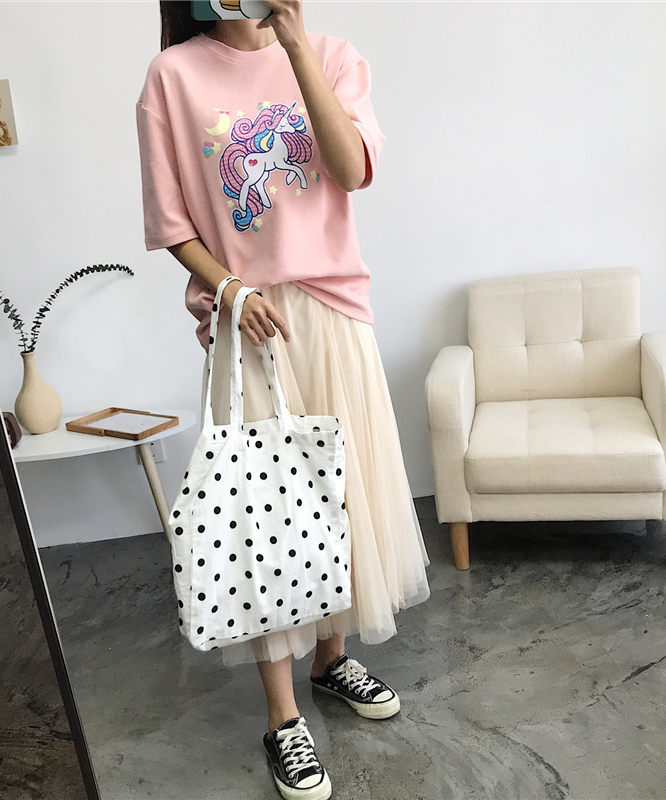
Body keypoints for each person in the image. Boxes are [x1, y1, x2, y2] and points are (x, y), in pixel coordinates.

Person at [136, 3, 430, 798]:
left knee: (340, 497)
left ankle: (332, 660)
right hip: (249, 319)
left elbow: (352, 169)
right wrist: (231, 290)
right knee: (263, 512)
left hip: (333, 313)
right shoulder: (173, 75)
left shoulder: (331, 55)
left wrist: (294, 44)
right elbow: (171, 222)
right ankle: (282, 717)